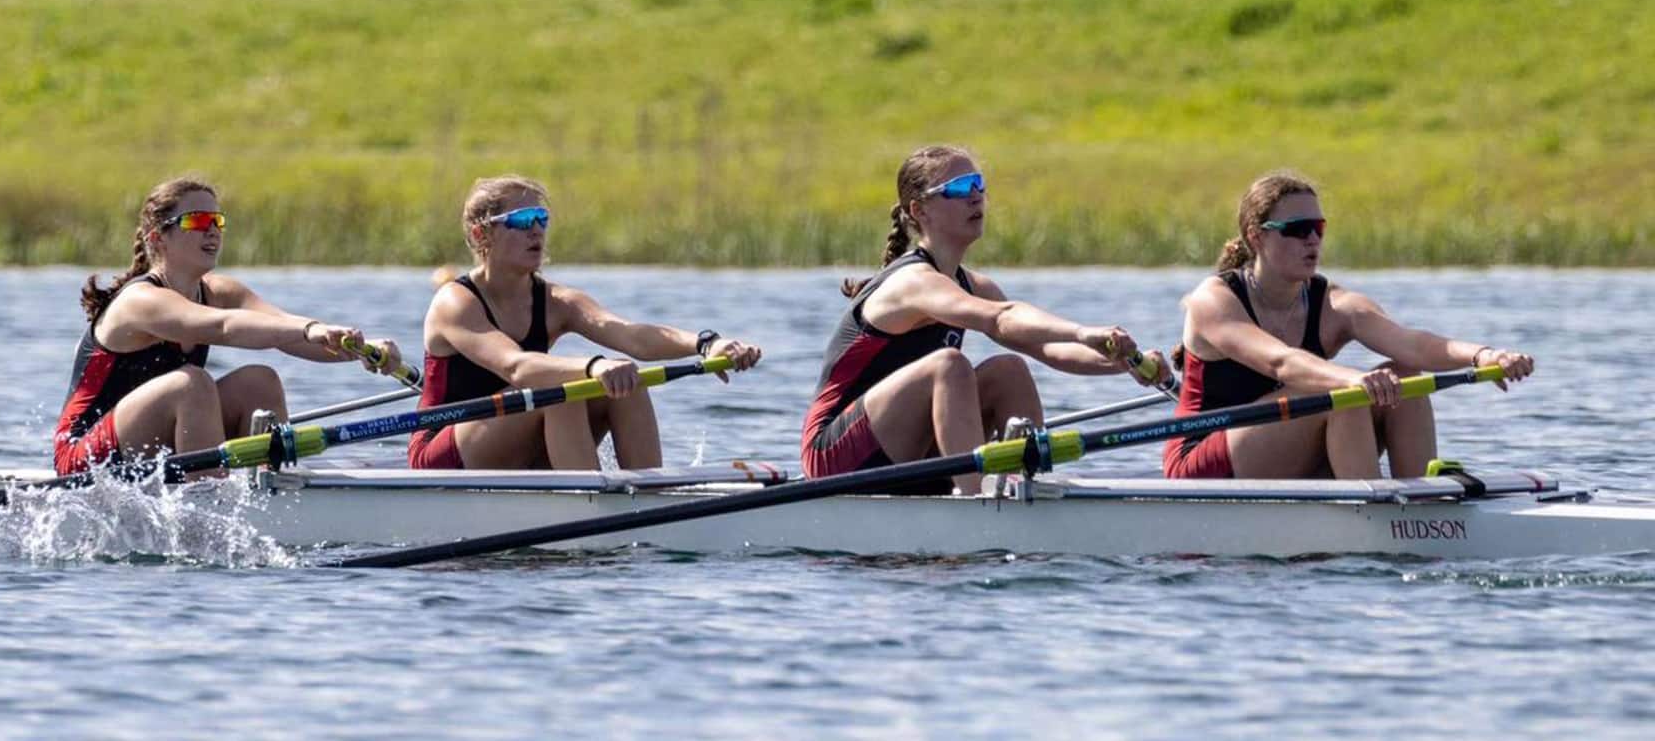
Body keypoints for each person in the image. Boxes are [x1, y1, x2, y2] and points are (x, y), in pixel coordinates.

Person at [803, 145, 1170, 494]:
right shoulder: (911, 282)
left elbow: (1049, 348)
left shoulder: (973, 285)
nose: (975, 196)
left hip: (904, 448)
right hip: (835, 455)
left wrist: (1125, 362)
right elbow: (1001, 318)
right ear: (919, 211)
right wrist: (1083, 331)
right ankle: (975, 498)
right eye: (959, 188)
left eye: (979, 185)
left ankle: (1020, 489)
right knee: (949, 365)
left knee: (1010, 370)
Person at [1162, 171, 1536, 480]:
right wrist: (1351, 381)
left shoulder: (1334, 304)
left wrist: (1483, 355)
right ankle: (1372, 523)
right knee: (1340, 392)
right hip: (1201, 460)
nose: (1312, 240)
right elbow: (1282, 363)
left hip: (1281, 444)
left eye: (1318, 228)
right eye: (1297, 228)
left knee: (1405, 375)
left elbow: (1414, 345)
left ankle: (1423, 507)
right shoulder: (1213, 300)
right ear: (1256, 237)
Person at [409, 175, 764, 471]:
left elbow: (632, 336)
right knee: (561, 390)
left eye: (541, 219)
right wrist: (594, 366)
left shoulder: (557, 301)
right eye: (521, 221)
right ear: (480, 235)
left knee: (630, 382)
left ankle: (651, 497)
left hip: (514, 430)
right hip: (442, 452)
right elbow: (516, 366)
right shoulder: (454, 302)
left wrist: (706, 344)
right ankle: (589, 511)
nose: (536, 230)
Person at [54, 177, 402, 475]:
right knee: (191, 384)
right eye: (196, 221)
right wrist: (310, 328)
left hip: (148, 443)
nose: (211, 231)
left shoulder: (220, 291)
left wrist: (360, 349)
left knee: (259, 381)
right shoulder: (140, 301)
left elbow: (284, 329)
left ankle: (269, 495)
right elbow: (222, 327)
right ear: (158, 237)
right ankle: (210, 508)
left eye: (217, 221)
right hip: (84, 456)